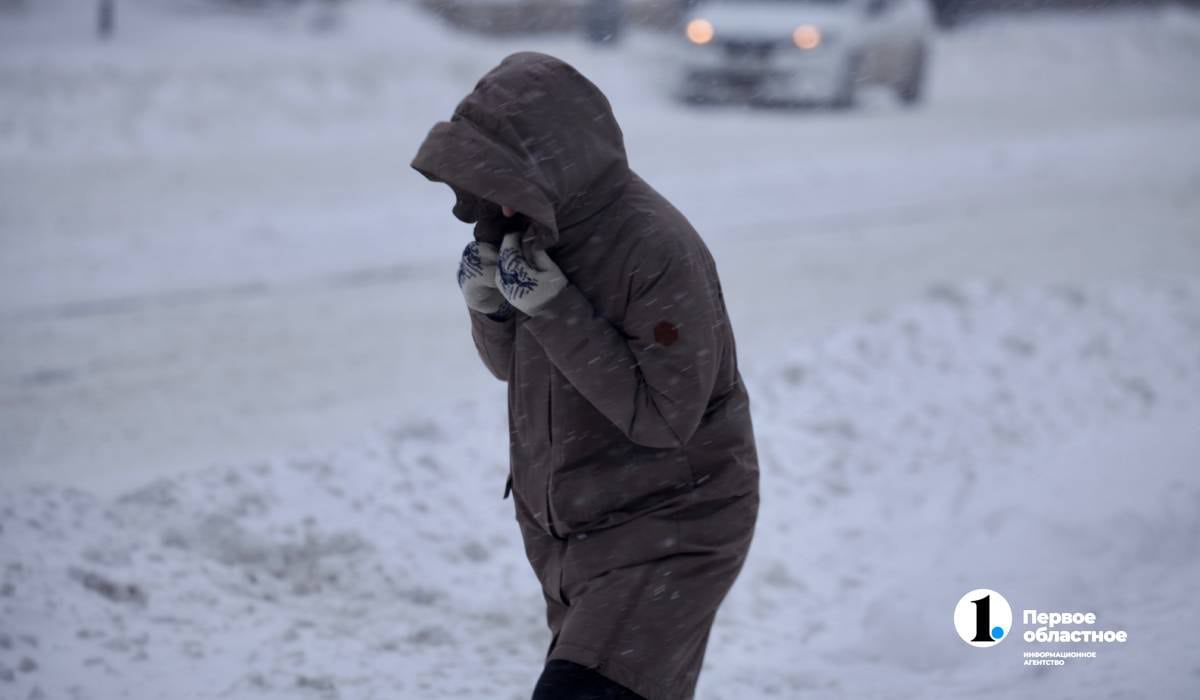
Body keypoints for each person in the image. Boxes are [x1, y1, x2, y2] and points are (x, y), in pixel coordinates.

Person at [411, 52, 760, 700]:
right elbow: (516, 370)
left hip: (669, 525)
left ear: (549, 163)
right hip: (570, 532)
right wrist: (491, 310)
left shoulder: (653, 247)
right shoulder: (534, 233)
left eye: (502, 180)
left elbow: (662, 417)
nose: (496, 205)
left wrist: (551, 305)